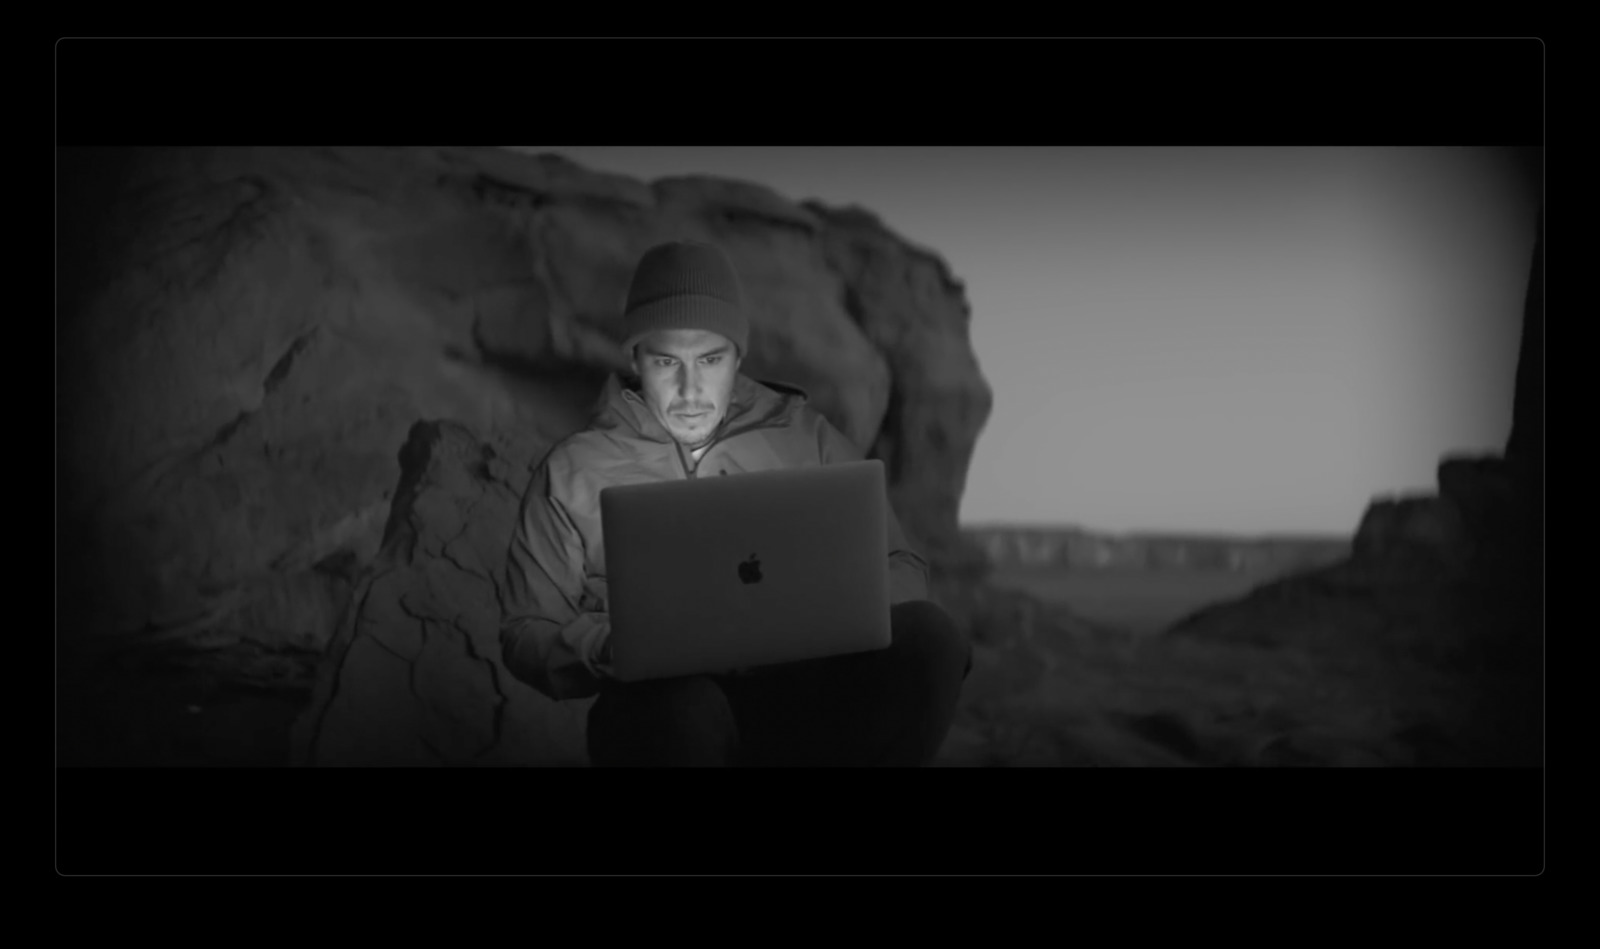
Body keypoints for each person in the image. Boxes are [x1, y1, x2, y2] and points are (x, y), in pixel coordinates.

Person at [499, 240, 971, 766]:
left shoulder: (805, 439)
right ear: (634, 357)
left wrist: (845, 611)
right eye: (665, 361)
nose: (690, 388)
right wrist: (614, 647)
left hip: (807, 692)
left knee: (931, 639)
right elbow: (526, 629)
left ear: (738, 356)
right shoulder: (573, 471)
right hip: (672, 706)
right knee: (673, 709)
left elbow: (901, 564)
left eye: (710, 359)